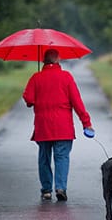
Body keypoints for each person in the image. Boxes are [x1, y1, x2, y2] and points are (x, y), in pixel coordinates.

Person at [23, 49, 93, 201]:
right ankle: (60, 188)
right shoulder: (66, 77)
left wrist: (37, 88)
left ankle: (46, 190)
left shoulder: (36, 77)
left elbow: (28, 99)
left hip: (43, 127)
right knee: (62, 157)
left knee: (44, 158)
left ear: (44, 61)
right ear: (58, 60)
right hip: (63, 127)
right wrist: (86, 124)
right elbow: (77, 103)